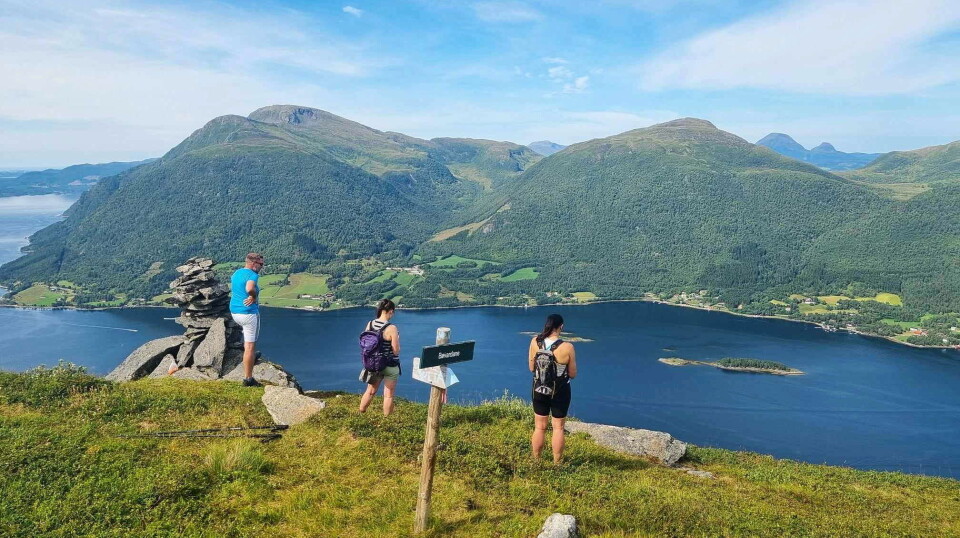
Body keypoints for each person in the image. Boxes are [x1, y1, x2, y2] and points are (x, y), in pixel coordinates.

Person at [529, 313, 577, 464]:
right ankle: (556, 463)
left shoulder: (535, 342)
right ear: (561, 327)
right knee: (558, 428)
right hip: (560, 392)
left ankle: (536, 460)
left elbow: (531, 368)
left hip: (539, 390)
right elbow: (572, 374)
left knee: (539, 427)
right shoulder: (567, 347)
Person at [359, 298, 401, 416]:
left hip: (374, 364)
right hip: (389, 365)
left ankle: (361, 413)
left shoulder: (370, 324)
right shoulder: (391, 328)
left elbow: (366, 345)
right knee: (388, 395)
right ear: (391, 311)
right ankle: (386, 420)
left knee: (370, 391)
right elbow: (396, 351)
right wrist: (397, 338)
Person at [230, 252, 264, 387]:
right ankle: (248, 379)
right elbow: (249, 287)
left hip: (235, 312)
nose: (262, 266)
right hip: (249, 314)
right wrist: (253, 296)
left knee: (248, 344)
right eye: (260, 264)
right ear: (253, 263)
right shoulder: (252, 275)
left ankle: (251, 357)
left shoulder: (237, 273)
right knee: (249, 345)